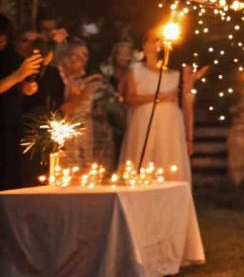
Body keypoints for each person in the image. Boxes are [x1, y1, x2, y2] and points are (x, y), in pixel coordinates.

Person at [119, 27, 194, 183]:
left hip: (170, 124)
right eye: (152, 40)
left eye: (159, 40)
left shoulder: (177, 72)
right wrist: (157, 97)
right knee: (144, 156)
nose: (156, 44)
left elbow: (187, 106)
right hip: (144, 122)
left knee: (169, 158)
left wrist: (189, 138)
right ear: (144, 45)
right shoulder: (135, 70)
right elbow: (129, 99)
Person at [57, 41, 117, 171]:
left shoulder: (82, 80)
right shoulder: (62, 80)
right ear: (65, 57)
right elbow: (64, 109)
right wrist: (86, 93)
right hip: (70, 133)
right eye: (77, 56)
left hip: (88, 132)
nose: (82, 60)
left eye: (85, 56)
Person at [0, 16, 42, 189]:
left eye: (4, 36)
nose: (1, 40)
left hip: (10, 126)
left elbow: (24, 85)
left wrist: (29, 85)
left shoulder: (9, 56)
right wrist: (17, 76)